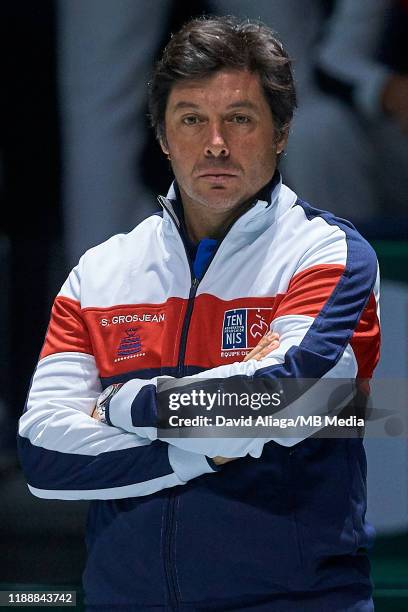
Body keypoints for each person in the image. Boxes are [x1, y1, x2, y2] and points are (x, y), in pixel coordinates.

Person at [18, 16, 380, 611]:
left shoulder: (326, 254)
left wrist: (126, 405)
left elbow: (293, 398)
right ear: (162, 136)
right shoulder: (101, 272)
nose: (216, 143)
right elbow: (45, 456)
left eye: (239, 119)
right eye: (192, 120)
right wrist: (200, 448)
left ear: (281, 132)